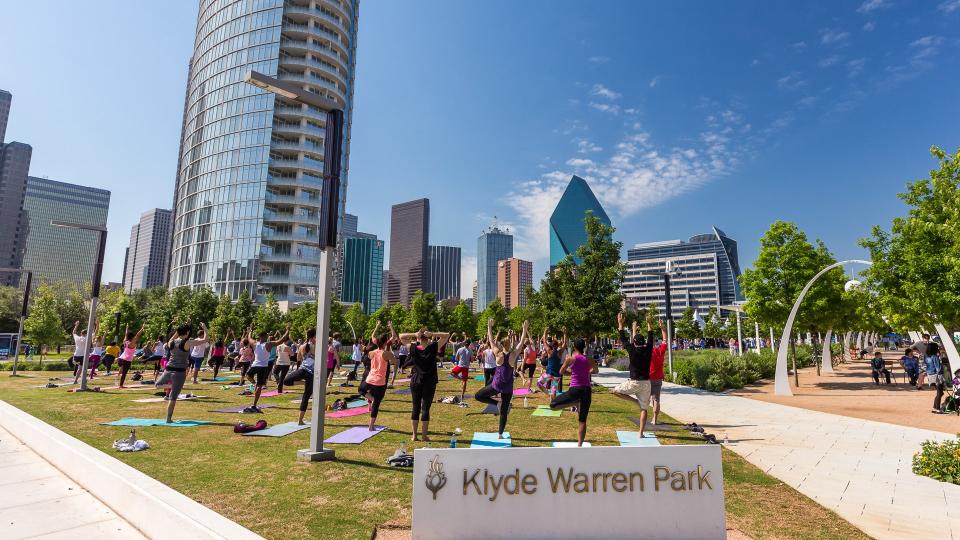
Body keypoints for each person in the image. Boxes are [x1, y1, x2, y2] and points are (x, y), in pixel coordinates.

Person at [474, 319, 529, 439]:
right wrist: (524, 330)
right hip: (507, 387)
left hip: (497, 385)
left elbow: (491, 341)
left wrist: (489, 327)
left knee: (478, 396)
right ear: (510, 344)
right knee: (504, 412)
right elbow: (520, 343)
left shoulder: (498, 353)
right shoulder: (513, 355)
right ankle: (500, 434)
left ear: (502, 345)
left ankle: (496, 403)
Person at [399, 325, 450, 442]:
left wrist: (414, 334)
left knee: (415, 407)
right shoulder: (433, 347)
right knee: (425, 408)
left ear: (418, 338)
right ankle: (424, 436)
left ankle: (414, 435)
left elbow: (401, 336)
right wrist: (433, 334)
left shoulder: (413, 348)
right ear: (427, 337)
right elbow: (446, 335)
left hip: (416, 380)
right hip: (429, 381)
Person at [549, 337, 599, 447]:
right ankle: (579, 445)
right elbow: (596, 370)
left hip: (575, 390)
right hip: (586, 391)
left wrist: (572, 373)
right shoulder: (589, 359)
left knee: (553, 405)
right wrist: (586, 372)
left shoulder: (570, 359)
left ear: (574, 347)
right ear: (584, 347)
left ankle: (574, 403)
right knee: (582, 420)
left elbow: (561, 371)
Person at [612, 312, 655, 435]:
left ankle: (634, 401)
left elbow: (623, 338)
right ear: (644, 342)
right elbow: (650, 335)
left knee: (615, 391)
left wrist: (621, 324)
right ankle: (641, 432)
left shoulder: (632, 350)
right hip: (646, 383)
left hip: (634, 382)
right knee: (644, 409)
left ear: (635, 342)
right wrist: (649, 323)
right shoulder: (648, 349)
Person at [157, 323, 208, 423]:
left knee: (158, 385)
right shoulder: (187, 343)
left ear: (178, 332)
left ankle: (171, 387)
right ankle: (168, 419)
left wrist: (179, 329)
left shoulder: (171, 342)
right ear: (188, 332)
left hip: (168, 369)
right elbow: (205, 340)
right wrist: (205, 328)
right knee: (173, 397)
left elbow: (173, 337)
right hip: (179, 373)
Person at [246, 326, 290, 412]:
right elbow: (282, 340)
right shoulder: (268, 344)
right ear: (264, 337)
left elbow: (249, 337)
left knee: (248, 376)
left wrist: (251, 330)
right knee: (259, 385)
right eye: (266, 336)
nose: (267, 338)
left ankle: (254, 385)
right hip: (263, 367)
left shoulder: (255, 343)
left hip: (255, 366)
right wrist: (287, 330)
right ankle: (254, 404)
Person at [283, 329, 317, 425]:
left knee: (286, 381)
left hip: (303, 371)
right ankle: (300, 420)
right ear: (313, 337)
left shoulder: (302, 346)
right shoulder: (316, 347)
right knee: (306, 396)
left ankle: (300, 420)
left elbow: (298, 359)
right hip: (309, 373)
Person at [363, 328, 395, 432]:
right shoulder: (386, 353)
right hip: (380, 381)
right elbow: (394, 361)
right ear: (386, 342)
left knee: (361, 390)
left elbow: (368, 359)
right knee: (376, 403)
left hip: (370, 379)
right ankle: (371, 426)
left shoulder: (371, 352)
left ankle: (371, 400)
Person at [649, 320, 669, 425]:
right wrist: (662, 328)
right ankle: (654, 419)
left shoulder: (646, 351)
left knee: (647, 399)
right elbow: (665, 339)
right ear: (656, 342)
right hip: (658, 378)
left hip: (648, 377)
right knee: (656, 399)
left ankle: (645, 415)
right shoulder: (661, 350)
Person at [451, 337, 474, 402]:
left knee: (452, 373)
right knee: (464, 381)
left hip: (460, 365)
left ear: (464, 343)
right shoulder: (470, 351)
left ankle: (460, 379)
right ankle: (462, 394)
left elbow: (456, 358)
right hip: (466, 367)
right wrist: (471, 358)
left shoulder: (460, 349)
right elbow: (472, 361)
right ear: (469, 344)